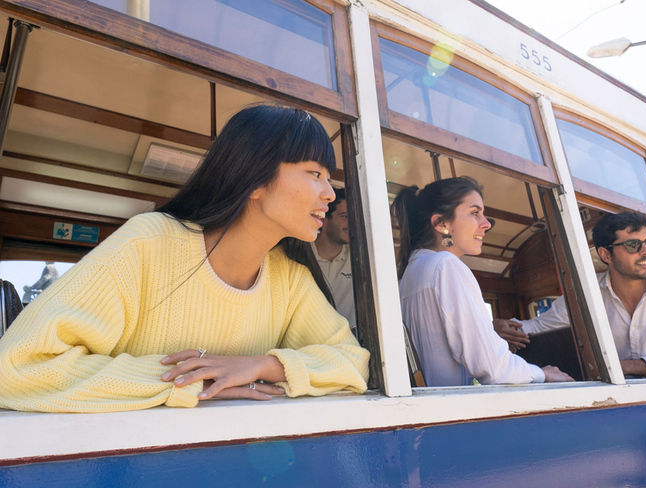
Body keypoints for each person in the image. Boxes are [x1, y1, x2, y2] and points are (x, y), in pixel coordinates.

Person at [0, 105, 370, 413]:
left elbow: (354, 362)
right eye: (315, 173)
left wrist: (262, 365)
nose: (329, 194)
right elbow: (18, 367)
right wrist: (188, 381)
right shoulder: (148, 242)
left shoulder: (289, 279)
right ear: (255, 180)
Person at [392, 176, 573, 387]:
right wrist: (543, 373)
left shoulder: (411, 271)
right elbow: (493, 368)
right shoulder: (445, 265)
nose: (486, 224)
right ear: (442, 224)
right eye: (475, 213)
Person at [495, 211, 646, 378]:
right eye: (633, 245)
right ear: (605, 254)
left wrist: (614, 366)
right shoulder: (586, 295)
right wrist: (497, 327)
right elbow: (538, 327)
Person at [311, 187, 356, 330]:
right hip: (306, 346)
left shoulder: (359, 257)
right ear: (324, 220)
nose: (352, 224)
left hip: (347, 345)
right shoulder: (300, 255)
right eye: (345, 216)